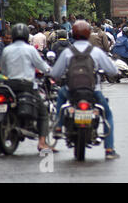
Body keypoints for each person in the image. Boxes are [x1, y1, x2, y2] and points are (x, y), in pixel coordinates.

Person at [52, 20, 120, 160]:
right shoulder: (96, 52)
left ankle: (58, 127)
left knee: (60, 96)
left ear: (72, 34)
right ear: (89, 34)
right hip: (93, 91)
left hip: (71, 90)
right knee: (107, 115)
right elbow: (113, 70)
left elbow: (55, 74)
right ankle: (109, 149)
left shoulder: (67, 52)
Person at [0, 23, 54, 154]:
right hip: (26, 85)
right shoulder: (30, 49)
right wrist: (50, 71)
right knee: (43, 113)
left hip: (9, 86)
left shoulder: (7, 50)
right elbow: (42, 66)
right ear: (26, 35)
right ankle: (42, 143)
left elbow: (3, 68)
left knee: (5, 108)